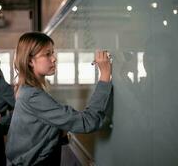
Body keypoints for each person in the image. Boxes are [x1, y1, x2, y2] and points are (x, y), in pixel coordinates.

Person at [6, 32, 112, 166]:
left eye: (53, 53)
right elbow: (87, 122)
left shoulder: (26, 89)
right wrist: (105, 74)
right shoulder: (33, 96)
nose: (54, 58)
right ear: (30, 61)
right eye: (47, 54)